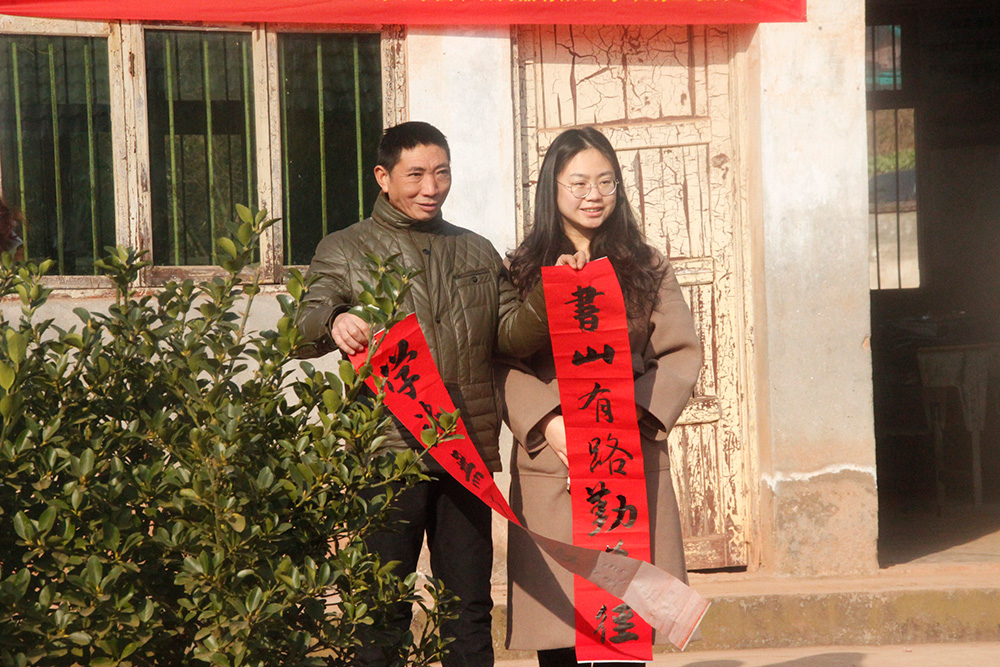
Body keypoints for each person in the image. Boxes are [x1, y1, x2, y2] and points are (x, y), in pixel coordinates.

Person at [296, 121, 501, 666]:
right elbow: (302, 326)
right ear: (383, 177)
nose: (431, 187)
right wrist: (334, 320)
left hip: (464, 449)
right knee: (380, 611)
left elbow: (512, 334)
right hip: (386, 456)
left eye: (441, 172)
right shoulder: (345, 248)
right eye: (416, 175)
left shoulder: (477, 251)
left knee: (468, 609)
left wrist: (555, 298)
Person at [496, 127, 702, 667]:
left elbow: (679, 353)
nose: (594, 195)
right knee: (563, 622)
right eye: (580, 183)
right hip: (556, 458)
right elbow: (501, 360)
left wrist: (626, 418)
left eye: (606, 182)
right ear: (553, 188)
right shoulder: (521, 270)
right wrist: (549, 424)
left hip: (624, 453)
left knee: (622, 621)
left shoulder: (646, 266)